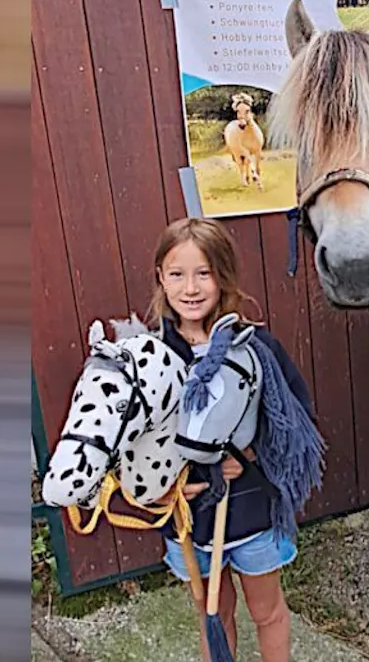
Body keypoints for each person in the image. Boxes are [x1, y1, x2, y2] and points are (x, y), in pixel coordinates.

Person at [144, 217, 314, 662]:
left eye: (204, 273)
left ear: (223, 277)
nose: (191, 287)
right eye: (177, 274)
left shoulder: (254, 347)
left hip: (250, 508)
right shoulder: (150, 358)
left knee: (267, 611)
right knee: (212, 613)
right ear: (160, 276)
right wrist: (165, 487)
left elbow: (293, 421)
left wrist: (250, 455)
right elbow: (136, 444)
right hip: (186, 515)